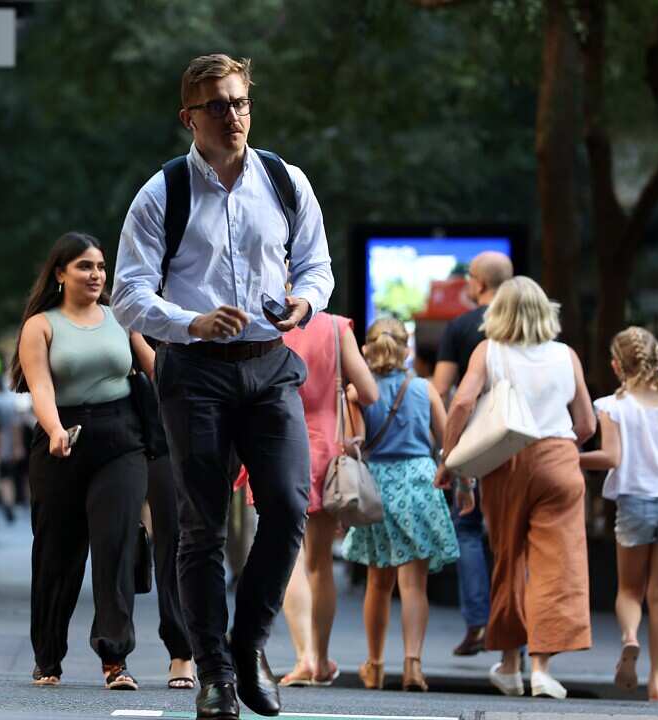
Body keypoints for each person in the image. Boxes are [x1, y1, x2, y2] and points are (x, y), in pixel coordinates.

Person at [112, 53, 334, 718]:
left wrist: (306, 304)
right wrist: (191, 322)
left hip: (270, 365)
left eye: (240, 102)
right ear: (190, 117)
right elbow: (128, 296)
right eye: (217, 105)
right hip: (195, 371)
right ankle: (213, 673)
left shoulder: (285, 181)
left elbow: (317, 265)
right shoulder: (163, 193)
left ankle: (247, 643)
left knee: (291, 507)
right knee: (201, 527)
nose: (232, 115)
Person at [435, 276, 595, 700]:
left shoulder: (490, 351)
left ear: (499, 313)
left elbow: (463, 402)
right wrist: (561, 447)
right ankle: (542, 669)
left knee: (508, 557)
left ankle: (509, 665)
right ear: (545, 311)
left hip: (507, 462)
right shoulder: (566, 356)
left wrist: (451, 459)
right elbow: (587, 424)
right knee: (556, 565)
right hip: (559, 458)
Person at [11, 231, 152, 691]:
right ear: (60, 273)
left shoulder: (121, 317)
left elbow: (154, 366)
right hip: (62, 439)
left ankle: (115, 659)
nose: (96, 275)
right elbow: (41, 388)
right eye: (85, 266)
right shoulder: (42, 325)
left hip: (122, 439)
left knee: (115, 548)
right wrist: (53, 430)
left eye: (100, 267)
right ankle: (48, 656)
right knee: (58, 553)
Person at [341, 318, 458, 692]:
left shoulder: (358, 391)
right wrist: (460, 480)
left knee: (378, 583)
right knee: (414, 586)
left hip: (376, 486)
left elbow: (351, 442)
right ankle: (413, 666)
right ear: (406, 349)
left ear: (366, 350)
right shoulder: (425, 388)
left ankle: (374, 666)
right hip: (419, 483)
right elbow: (447, 443)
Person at [278, 312, 378, 687]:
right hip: (325, 446)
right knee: (319, 562)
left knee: (290, 558)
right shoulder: (336, 328)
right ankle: (319, 659)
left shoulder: (263, 322)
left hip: (276, 442)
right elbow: (369, 392)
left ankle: (302, 657)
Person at [580, 327, 658, 702]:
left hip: (633, 504)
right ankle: (657, 683)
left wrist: (571, 455)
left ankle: (630, 637)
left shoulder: (611, 406)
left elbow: (611, 458)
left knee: (630, 591)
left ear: (617, 365)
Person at [431, 251, 513, 657]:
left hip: (474, 442)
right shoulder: (527, 324)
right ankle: (513, 626)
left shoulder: (462, 326)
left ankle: (478, 622)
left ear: (478, 282)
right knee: (513, 535)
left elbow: (442, 388)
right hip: (518, 441)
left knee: (468, 528)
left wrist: (447, 449)